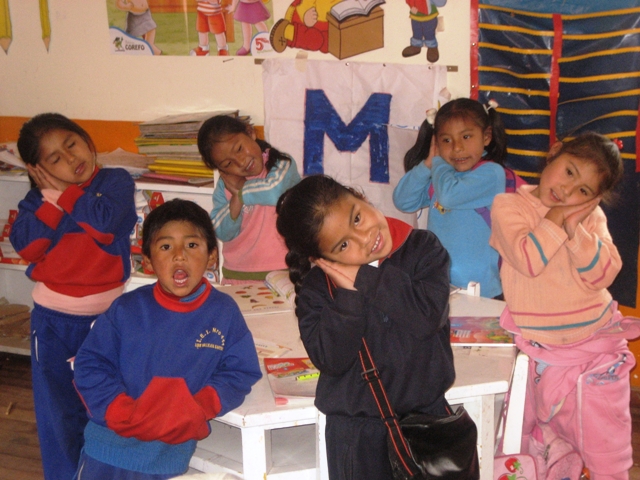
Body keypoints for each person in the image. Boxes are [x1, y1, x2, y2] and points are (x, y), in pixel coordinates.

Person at [276, 174, 455, 479]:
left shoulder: (422, 248)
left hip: (428, 422)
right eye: (343, 245)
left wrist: (364, 277)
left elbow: (427, 317)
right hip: (357, 436)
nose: (364, 238)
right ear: (322, 258)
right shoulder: (318, 288)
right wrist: (347, 297)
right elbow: (330, 359)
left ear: (361, 197)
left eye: (357, 218)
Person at [72, 198, 262, 479]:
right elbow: (90, 364)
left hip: (169, 459)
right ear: (148, 261)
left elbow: (240, 371)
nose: (179, 256)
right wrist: (120, 410)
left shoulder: (224, 312)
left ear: (212, 256)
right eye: (165, 247)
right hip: (107, 450)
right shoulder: (126, 310)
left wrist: (200, 407)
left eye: (192, 245)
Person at [489, 133, 640, 479]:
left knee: (606, 448)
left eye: (583, 190)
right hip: (537, 353)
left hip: (595, 349)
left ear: (594, 198)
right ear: (554, 153)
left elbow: (604, 274)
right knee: (523, 438)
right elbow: (528, 259)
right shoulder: (509, 206)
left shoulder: (589, 217)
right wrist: (557, 218)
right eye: (569, 171)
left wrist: (576, 229)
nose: (568, 190)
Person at [9, 113, 137, 480]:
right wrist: (51, 198)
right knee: (59, 412)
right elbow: (28, 247)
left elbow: (105, 225)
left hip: (107, 321)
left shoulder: (115, 181)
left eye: (72, 144)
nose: (71, 158)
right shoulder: (36, 202)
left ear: (87, 140)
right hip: (53, 323)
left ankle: (107, 472)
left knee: (108, 405)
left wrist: (66, 195)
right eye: (55, 159)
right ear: (38, 171)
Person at [393, 97, 510, 299]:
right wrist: (427, 165)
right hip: (439, 287)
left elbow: (448, 196)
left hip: (482, 291)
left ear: (486, 136)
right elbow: (403, 201)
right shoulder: (442, 177)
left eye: (466, 137)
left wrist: (438, 162)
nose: (456, 147)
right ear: (436, 142)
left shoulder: (491, 173)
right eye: (446, 140)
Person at [198, 114, 301, 284]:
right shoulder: (225, 186)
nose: (240, 162)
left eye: (239, 149)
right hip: (237, 275)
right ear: (221, 170)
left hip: (285, 273)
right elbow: (221, 232)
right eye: (228, 164)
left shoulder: (281, 164)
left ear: (250, 132)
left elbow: (274, 192)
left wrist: (241, 191)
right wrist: (236, 201)